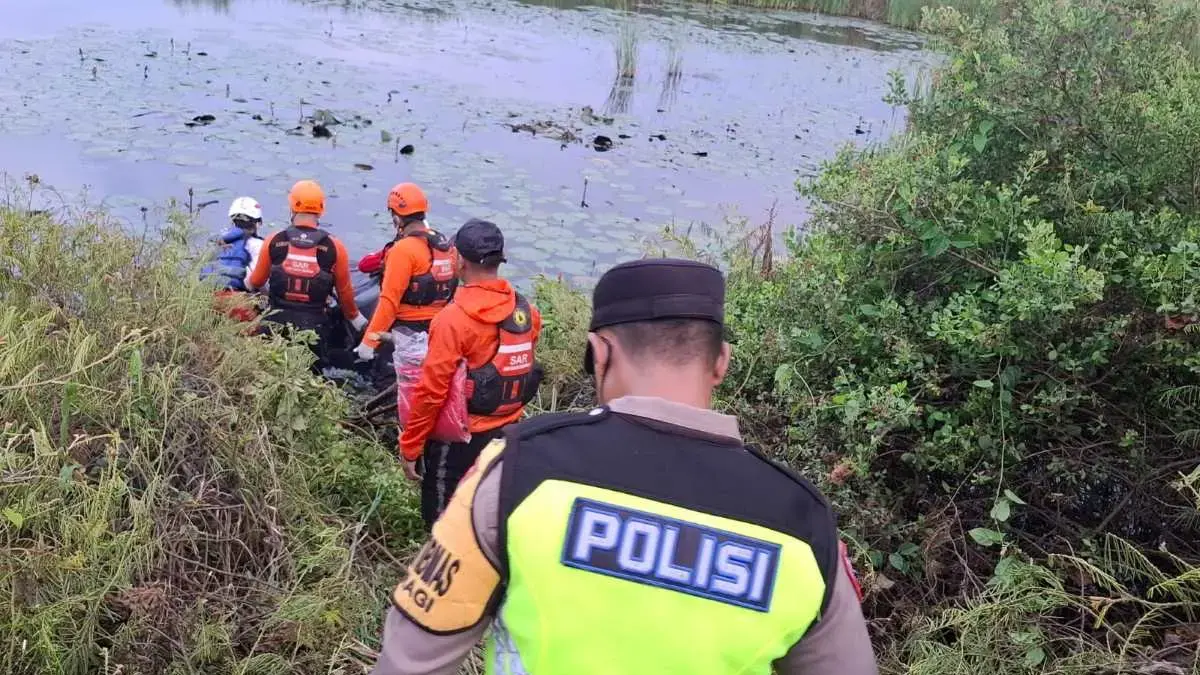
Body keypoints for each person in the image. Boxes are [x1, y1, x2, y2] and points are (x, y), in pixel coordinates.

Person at [370, 258, 878, 675]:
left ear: (599, 353)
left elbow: (411, 660)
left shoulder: (517, 475)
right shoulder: (802, 526)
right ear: (721, 362)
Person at [395, 218, 543, 529]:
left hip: (459, 441)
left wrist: (410, 446)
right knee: (488, 517)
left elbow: (432, 391)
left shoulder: (452, 320)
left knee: (442, 524)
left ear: (459, 260)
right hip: (509, 435)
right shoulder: (527, 312)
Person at [245, 180, 367, 364]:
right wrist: (361, 324)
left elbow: (255, 282)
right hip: (313, 331)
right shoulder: (335, 247)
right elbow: (346, 298)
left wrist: (245, 282)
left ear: (292, 207)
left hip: (274, 326)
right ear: (321, 210)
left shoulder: (273, 240)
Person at [354, 182, 457, 387]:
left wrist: (369, 342)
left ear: (396, 218)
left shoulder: (402, 250)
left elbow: (389, 302)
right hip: (438, 332)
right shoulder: (444, 246)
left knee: (388, 384)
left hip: (404, 332)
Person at [203, 196, 264, 322]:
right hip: (237, 302)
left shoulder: (218, 240)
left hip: (207, 299)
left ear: (232, 221)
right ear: (258, 223)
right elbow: (256, 282)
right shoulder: (258, 245)